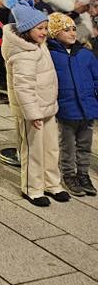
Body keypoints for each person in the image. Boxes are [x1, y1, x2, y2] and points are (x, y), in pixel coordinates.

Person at [1, 0, 68, 207]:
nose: (44, 33)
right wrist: (33, 114)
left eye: (45, 28)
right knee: (33, 150)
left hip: (47, 106)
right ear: (26, 30)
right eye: (39, 29)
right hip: (33, 112)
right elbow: (23, 87)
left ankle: (52, 182)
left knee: (51, 147)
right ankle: (32, 187)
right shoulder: (23, 54)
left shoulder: (40, 45)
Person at [46, 11, 98, 198]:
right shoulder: (51, 55)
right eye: (66, 30)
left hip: (88, 109)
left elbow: (96, 78)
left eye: (73, 29)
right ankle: (69, 175)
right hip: (67, 109)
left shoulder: (86, 54)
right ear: (54, 33)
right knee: (67, 145)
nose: (72, 33)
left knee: (85, 144)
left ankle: (83, 174)